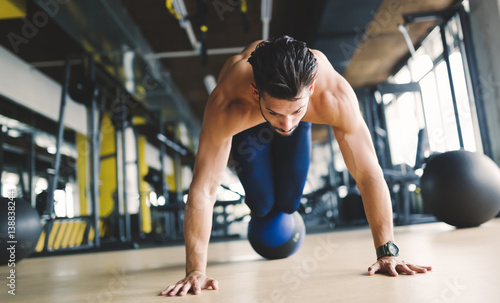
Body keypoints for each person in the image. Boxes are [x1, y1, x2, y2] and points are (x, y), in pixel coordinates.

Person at [161, 35, 432, 297]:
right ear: (256, 92)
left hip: (290, 109)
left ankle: (287, 112)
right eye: (277, 113)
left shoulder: (332, 95)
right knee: (263, 204)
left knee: (290, 202)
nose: (287, 124)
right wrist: (195, 270)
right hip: (248, 125)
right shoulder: (228, 103)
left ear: (311, 89)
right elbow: (204, 188)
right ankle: (273, 123)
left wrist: (387, 251)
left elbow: (368, 173)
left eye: (295, 112)